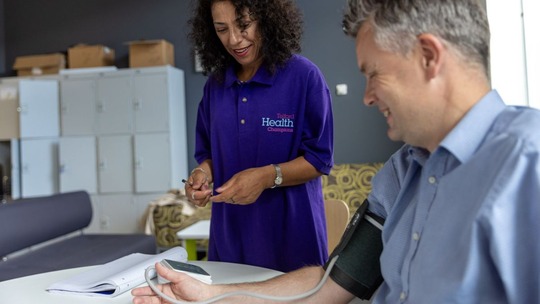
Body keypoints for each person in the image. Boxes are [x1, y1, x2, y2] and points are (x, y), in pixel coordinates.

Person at [132, 0, 540, 303]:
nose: (364, 97)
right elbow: (331, 284)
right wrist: (211, 294)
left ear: (429, 57)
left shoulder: (528, 167)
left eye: (373, 73)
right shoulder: (399, 176)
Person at [183, 0, 334, 273]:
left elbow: (318, 160)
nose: (234, 39)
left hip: (292, 240)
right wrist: (202, 174)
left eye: (243, 25)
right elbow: (209, 154)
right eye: (221, 29)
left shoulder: (305, 77)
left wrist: (266, 177)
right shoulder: (215, 86)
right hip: (230, 239)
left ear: (266, 18)